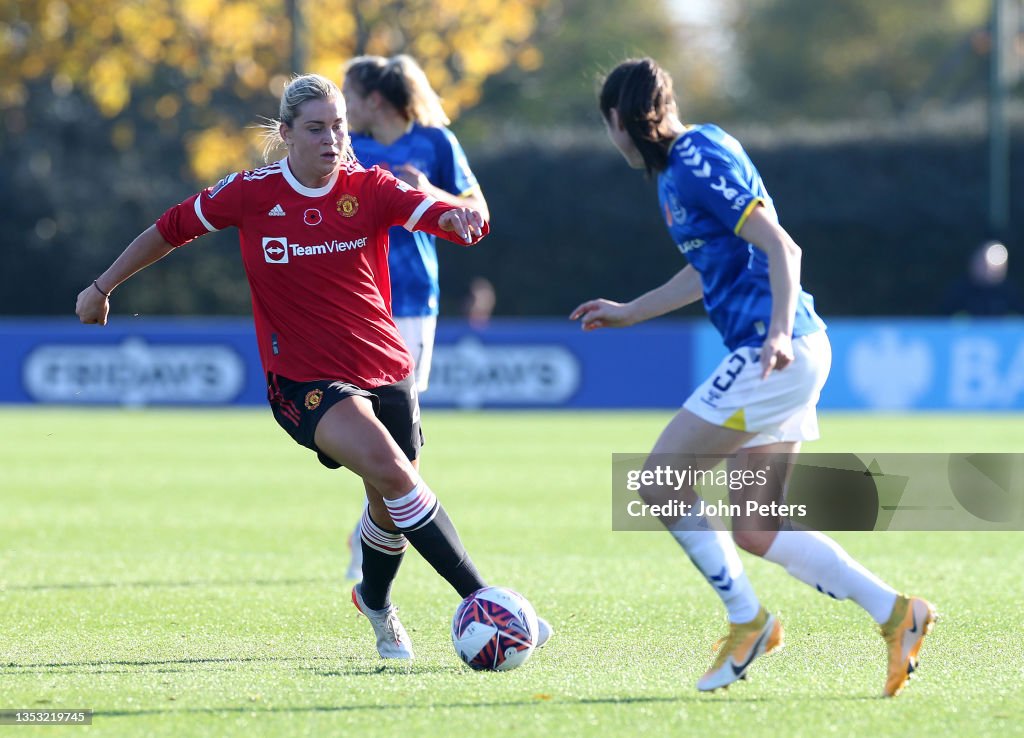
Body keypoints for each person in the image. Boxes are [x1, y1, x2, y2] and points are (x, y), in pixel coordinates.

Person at [75, 73, 549, 660]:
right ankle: (487, 601)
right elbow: (170, 229)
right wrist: (102, 286)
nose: (332, 139)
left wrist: (452, 217)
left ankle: (375, 603)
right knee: (395, 472)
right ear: (286, 134)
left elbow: (426, 209)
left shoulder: (368, 186)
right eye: (317, 128)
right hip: (304, 380)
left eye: (340, 126)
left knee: (388, 505)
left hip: (384, 365)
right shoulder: (248, 193)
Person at [571, 58, 934, 696]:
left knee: (660, 481)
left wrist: (774, 333)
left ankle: (749, 621)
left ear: (618, 118)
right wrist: (631, 311)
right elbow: (708, 270)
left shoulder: (697, 155)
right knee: (757, 525)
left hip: (777, 351)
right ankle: (896, 614)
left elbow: (782, 247)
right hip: (786, 351)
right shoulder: (672, 177)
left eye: (609, 125)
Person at [341, 54, 489, 580]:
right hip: (360, 301)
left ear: (374, 100)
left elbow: (478, 209)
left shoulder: (435, 143)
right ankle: (370, 546)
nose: (343, 108)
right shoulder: (349, 150)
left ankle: (371, 542)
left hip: (414, 303)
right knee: (369, 427)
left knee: (399, 434)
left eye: (349, 97)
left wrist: (426, 190)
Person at [940, 239, 1024, 316]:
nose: (988, 269)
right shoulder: (958, 291)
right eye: (983, 264)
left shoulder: (1010, 293)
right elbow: (940, 320)